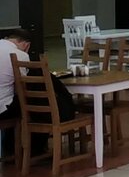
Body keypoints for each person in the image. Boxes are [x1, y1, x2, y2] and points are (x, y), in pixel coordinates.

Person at [0, 29, 77, 158]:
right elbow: (23, 87)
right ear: (26, 45)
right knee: (33, 103)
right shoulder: (20, 55)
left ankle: (13, 148)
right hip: (3, 108)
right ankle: (31, 148)